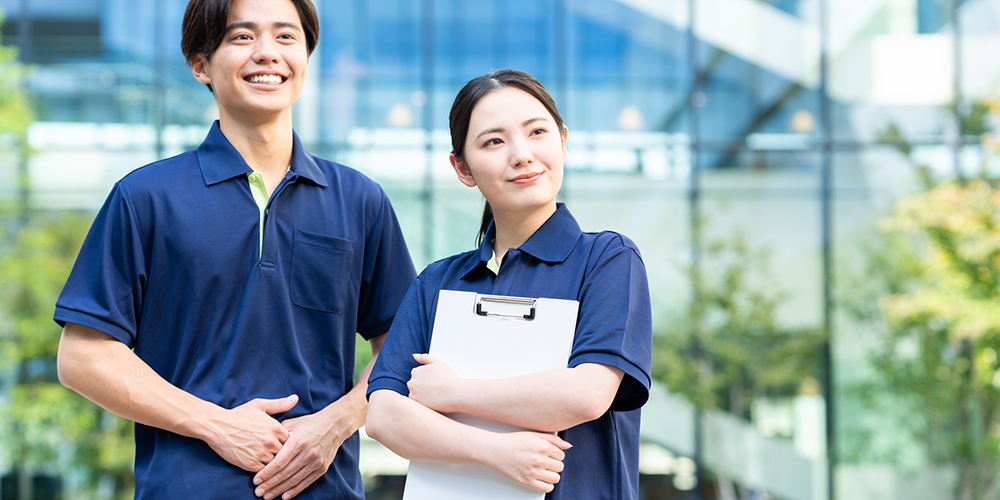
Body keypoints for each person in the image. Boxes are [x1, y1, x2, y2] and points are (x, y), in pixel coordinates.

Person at [53, 0, 416, 499]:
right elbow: (81, 356)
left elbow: (401, 347)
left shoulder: (361, 200)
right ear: (201, 63)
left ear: (307, 56)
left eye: (286, 37)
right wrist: (215, 425)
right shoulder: (145, 198)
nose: (268, 53)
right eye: (242, 37)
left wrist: (335, 424)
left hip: (325, 489)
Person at [365, 69, 652, 499]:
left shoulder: (607, 259)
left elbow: (588, 393)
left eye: (537, 132)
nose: (521, 155)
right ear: (462, 168)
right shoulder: (437, 283)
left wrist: (454, 392)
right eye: (494, 141)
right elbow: (384, 415)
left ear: (563, 141)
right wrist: (495, 451)